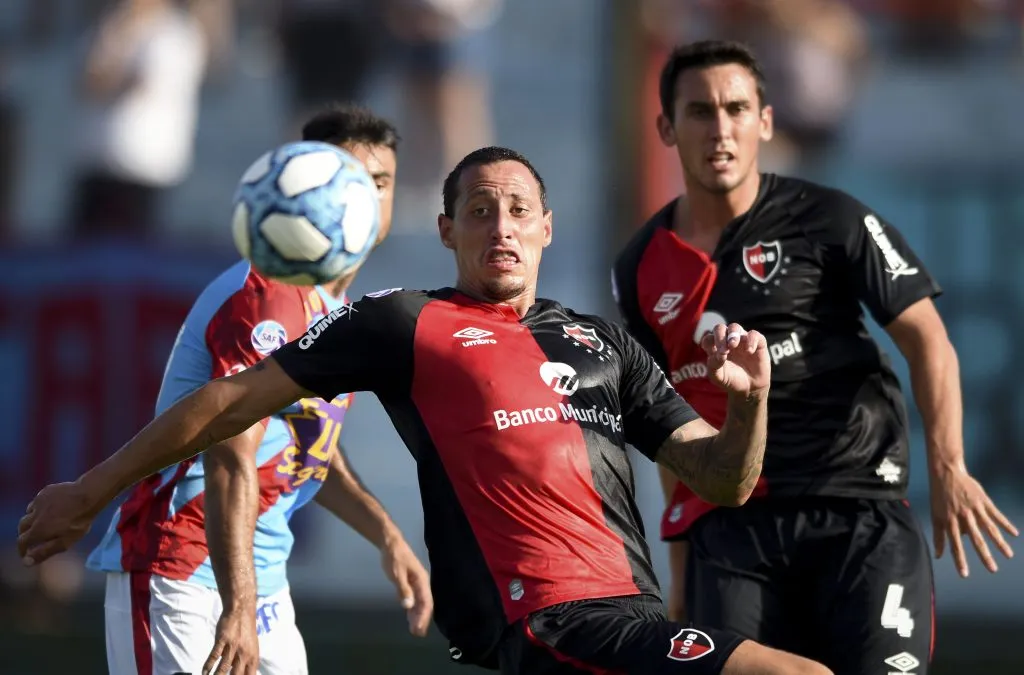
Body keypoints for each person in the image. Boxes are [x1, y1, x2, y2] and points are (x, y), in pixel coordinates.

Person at [19, 146, 833, 675]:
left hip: (635, 616)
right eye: (479, 210)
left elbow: (725, 479)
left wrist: (750, 402)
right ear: (446, 229)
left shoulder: (604, 345)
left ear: (547, 226)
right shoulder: (404, 322)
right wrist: (92, 490)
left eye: (518, 208)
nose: (501, 226)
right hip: (554, 620)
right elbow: (228, 403)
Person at [611, 40, 1018, 675]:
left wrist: (949, 466)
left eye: (737, 108)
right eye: (700, 111)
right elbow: (675, 425)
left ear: (765, 122)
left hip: (857, 510)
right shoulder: (639, 266)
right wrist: (683, 562)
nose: (721, 128)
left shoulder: (831, 219)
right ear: (666, 126)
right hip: (734, 529)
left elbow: (928, 338)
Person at [80, 103, 431, 675]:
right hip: (184, 570)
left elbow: (306, 446)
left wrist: (386, 534)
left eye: (380, 182)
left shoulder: (333, 308)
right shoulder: (266, 294)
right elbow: (229, 455)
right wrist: (236, 607)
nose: (361, 197)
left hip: (261, 585)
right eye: (345, 179)